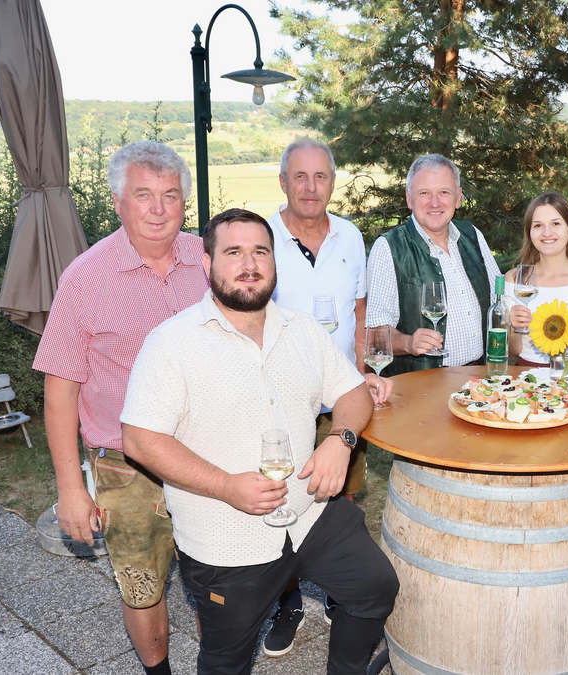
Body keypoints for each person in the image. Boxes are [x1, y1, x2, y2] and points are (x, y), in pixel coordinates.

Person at [120, 208, 399, 675]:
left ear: (274, 262)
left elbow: (352, 391)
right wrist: (226, 485)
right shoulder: (171, 343)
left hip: (309, 510)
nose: (249, 264)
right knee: (226, 661)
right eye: (233, 252)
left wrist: (340, 440)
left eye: (260, 252)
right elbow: (140, 439)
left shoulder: (303, 329)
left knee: (374, 588)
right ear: (207, 264)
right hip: (226, 536)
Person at [33, 141, 207, 675]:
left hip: (209, 454)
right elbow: (60, 391)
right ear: (117, 201)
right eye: (143, 195)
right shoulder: (85, 278)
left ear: (184, 202)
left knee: (217, 577)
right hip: (124, 468)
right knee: (142, 585)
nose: (158, 209)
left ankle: (219, 665)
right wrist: (71, 488)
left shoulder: (209, 260)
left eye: (170, 195)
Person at [262, 137, 394, 655]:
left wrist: (362, 374)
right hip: (283, 399)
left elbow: (359, 313)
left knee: (344, 495)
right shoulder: (263, 238)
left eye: (321, 176)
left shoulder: (351, 236)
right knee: (283, 503)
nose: (311, 187)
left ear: (332, 183)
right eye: (300, 176)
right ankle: (288, 602)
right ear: (283, 182)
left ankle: (343, 590)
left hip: (340, 397)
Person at [365, 153, 501, 374]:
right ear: (409, 198)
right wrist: (408, 343)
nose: (435, 203)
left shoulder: (472, 235)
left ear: (458, 198)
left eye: (444, 192)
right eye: (424, 193)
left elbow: (500, 300)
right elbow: (376, 335)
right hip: (421, 384)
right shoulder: (388, 247)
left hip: (478, 378)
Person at [506, 192, 568, 371]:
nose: (547, 233)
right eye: (538, 225)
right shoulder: (515, 279)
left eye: (556, 224)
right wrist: (514, 326)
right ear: (529, 232)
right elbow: (513, 352)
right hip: (526, 378)